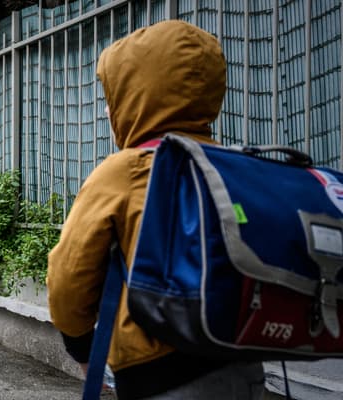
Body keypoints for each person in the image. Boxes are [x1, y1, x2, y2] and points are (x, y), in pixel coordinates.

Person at [46, 20, 265, 400]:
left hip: (159, 371)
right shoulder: (235, 167)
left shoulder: (126, 171)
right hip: (244, 361)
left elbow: (69, 277)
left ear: (130, 93)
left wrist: (80, 349)